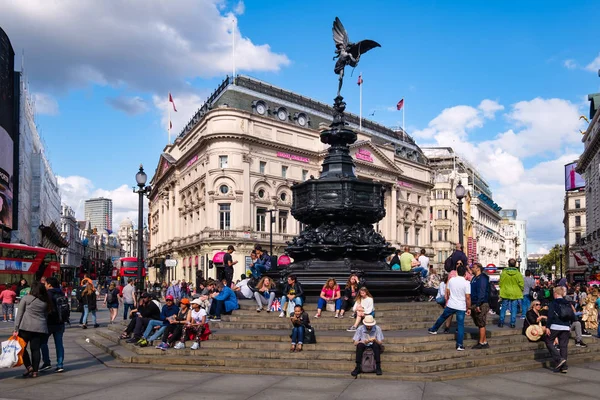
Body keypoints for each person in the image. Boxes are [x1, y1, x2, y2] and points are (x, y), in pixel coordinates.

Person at [428, 264, 471, 351]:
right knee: (460, 325)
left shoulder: (451, 280)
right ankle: (459, 345)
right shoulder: (467, 283)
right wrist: (468, 307)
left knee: (443, 317)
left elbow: (448, 291)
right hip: (461, 306)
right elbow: (468, 297)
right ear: (465, 274)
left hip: (451, 304)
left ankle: (434, 329)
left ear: (457, 272)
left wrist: (448, 299)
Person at [13, 281, 50, 378]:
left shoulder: (26, 298)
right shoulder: (45, 301)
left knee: (22, 348)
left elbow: (19, 314)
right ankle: (35, 371)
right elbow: (45, 315)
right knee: (35, 349)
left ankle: (29, 367)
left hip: (25, 327)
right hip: (39, 328)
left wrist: (16, 328)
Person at [544, 286, 575, 373]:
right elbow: (572, 315)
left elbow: (550, 315)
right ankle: (564, 367)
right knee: (563, 346)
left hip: (555, 325)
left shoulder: (553, 303)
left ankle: (559, 359)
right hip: (566, 326)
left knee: (548, 341)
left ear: (556, 294)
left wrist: (547, 326)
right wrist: (569, 325)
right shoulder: (568, 302)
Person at [40, 277, 66, 373]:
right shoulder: (61, 293)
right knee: (59, 344)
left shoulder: (48, 294)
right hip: (60, 322)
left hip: (49, 322)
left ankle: (47, 362)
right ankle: (60, 364)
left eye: (46, 284)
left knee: (43, 342)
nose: (45, 285)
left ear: (50, 285)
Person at [498, 258, 524, 328]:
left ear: (508, 264)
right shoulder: (518, 274)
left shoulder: (503, 273)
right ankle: (512, 323)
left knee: (504, 307)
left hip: (505, 292)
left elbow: (500, 283)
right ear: (515, 264)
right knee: (514, 308)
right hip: (515, 293)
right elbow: (521, 284)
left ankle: (501, 322)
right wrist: (521, 289)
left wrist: (502, 288)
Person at [469, 263, 490, 349]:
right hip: (474, 302)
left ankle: (481, 342)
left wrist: (478, 304)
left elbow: (481, 291)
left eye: (473, 267)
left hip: (481, 303)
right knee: (479, 323)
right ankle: (484, 341)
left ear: (478, 269)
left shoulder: (482, 278)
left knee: (481, 323)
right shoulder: (474, 278)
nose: (471, 269)